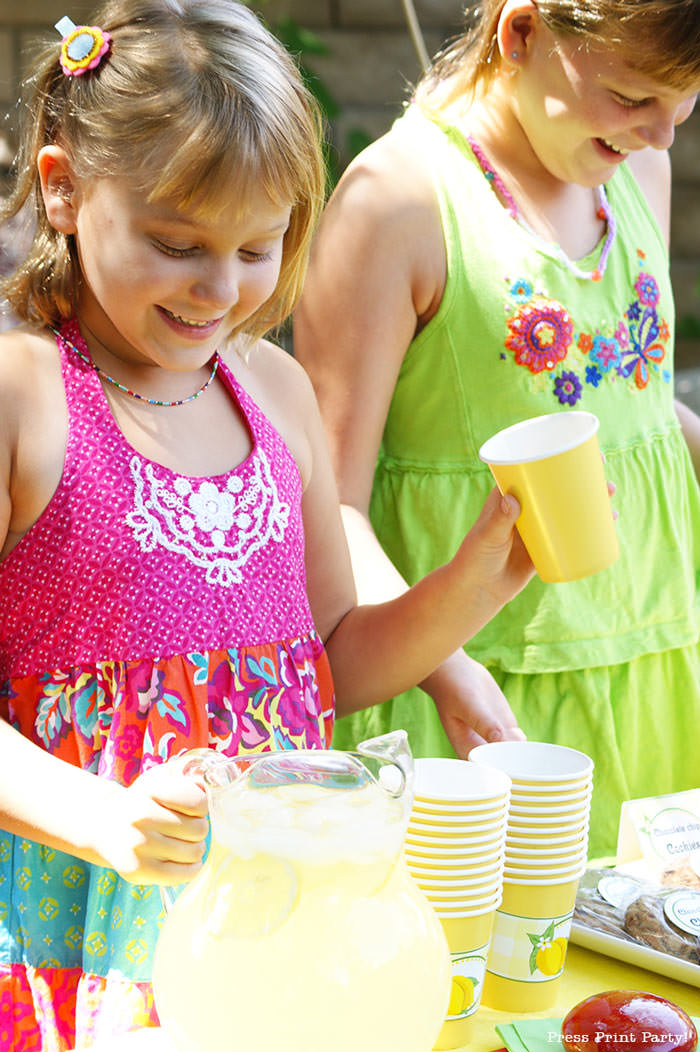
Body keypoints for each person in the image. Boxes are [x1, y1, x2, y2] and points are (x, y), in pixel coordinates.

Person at [0, 1, 535, 1047]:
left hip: (286, 939)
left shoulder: (275, 390)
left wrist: (479, 579)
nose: (222, 289)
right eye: (176, 244)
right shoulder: (24, 398)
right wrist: (102, 816)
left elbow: (333, 655)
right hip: (87, 937)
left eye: (259, 246)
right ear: (64, 190)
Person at [294, 0, 700, 862]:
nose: (664, 136)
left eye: (685, 101)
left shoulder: (635, 169)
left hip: (653, 665)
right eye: (634, 97)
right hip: (478, 705)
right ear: (521, 34)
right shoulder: (395, 204)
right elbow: (330, 504)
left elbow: (630, 402)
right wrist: (445, 668)